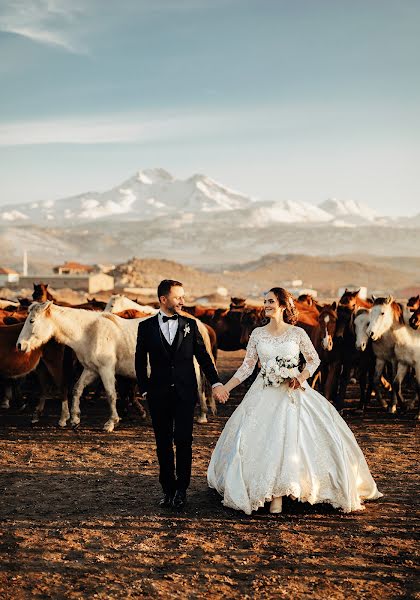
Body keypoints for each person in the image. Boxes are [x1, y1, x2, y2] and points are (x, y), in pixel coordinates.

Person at [207, 287, 383, 515]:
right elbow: (247, 367)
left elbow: (314, 360)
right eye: (265, 301)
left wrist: (300, 377)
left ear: (282, 305)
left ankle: (291, 489)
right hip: (263, 393)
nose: (266, 305)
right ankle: (270, 493)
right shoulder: (257, 334)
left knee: (293, 438)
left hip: (293, 392)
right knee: (261, 439)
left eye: (270, 301)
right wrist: (225, 387)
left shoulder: (297, 333)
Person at [135, 279, 229, 509]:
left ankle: (181, 490)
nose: (182, 301)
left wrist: (216, 382)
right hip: (158, 394)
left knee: (184, 441)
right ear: (163, 299)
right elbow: (139, 360)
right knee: (163, 443)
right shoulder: (145, 327)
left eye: (183, 297)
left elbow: (204, 357)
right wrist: (145, 387)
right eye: (178, 297)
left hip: (186, 393)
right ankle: (167, 489)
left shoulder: (190, 325)